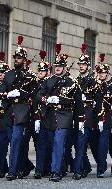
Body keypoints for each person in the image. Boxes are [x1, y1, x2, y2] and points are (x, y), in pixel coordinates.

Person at [36, 48, 84, 182]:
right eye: (56, 66)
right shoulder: (48, 80)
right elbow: (38, 95)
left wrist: (80, 119)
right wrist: (47, 99)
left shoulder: (72, 82)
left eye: (60, 66)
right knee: (54, 144)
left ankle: (55, 172)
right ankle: (61, 168)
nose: (58, 68)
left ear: (64, 67)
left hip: (65, 115)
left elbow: (77, 102)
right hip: (50, 116)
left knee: (58, 142)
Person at [5, 36, 37, 181]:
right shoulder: (9, 74)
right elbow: (1, 89)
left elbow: (34, 93)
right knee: (12, 141)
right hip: (8, 110)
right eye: (15, 57)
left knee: (17, 140)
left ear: (24, 59)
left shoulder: (29, 75)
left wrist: (21, 93)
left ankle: (12, 171)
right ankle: (24, 166)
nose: (16, 60)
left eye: (19, 58)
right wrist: (5, 95)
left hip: (22, 110)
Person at [72, 44, 98, 180]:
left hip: (87, 115)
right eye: (80, 64)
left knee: (81, 143)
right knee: (77, 144)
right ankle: (86, 166)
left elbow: (97, 101)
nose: (81, 66)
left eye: (84, 64)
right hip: (76, 115)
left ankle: (77, 170)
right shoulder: (75, 81)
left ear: (88, 66)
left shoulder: (93, 81)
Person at [33, 50, 53, 179]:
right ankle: (39, 170)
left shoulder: (50, 83)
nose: (40, 72)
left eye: (43, 70)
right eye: (39, 70)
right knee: (40, 146)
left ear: (48, 72)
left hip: (49, 117)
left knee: (50, 145)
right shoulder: (34, 83)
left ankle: (49, 168)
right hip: (37, 117)